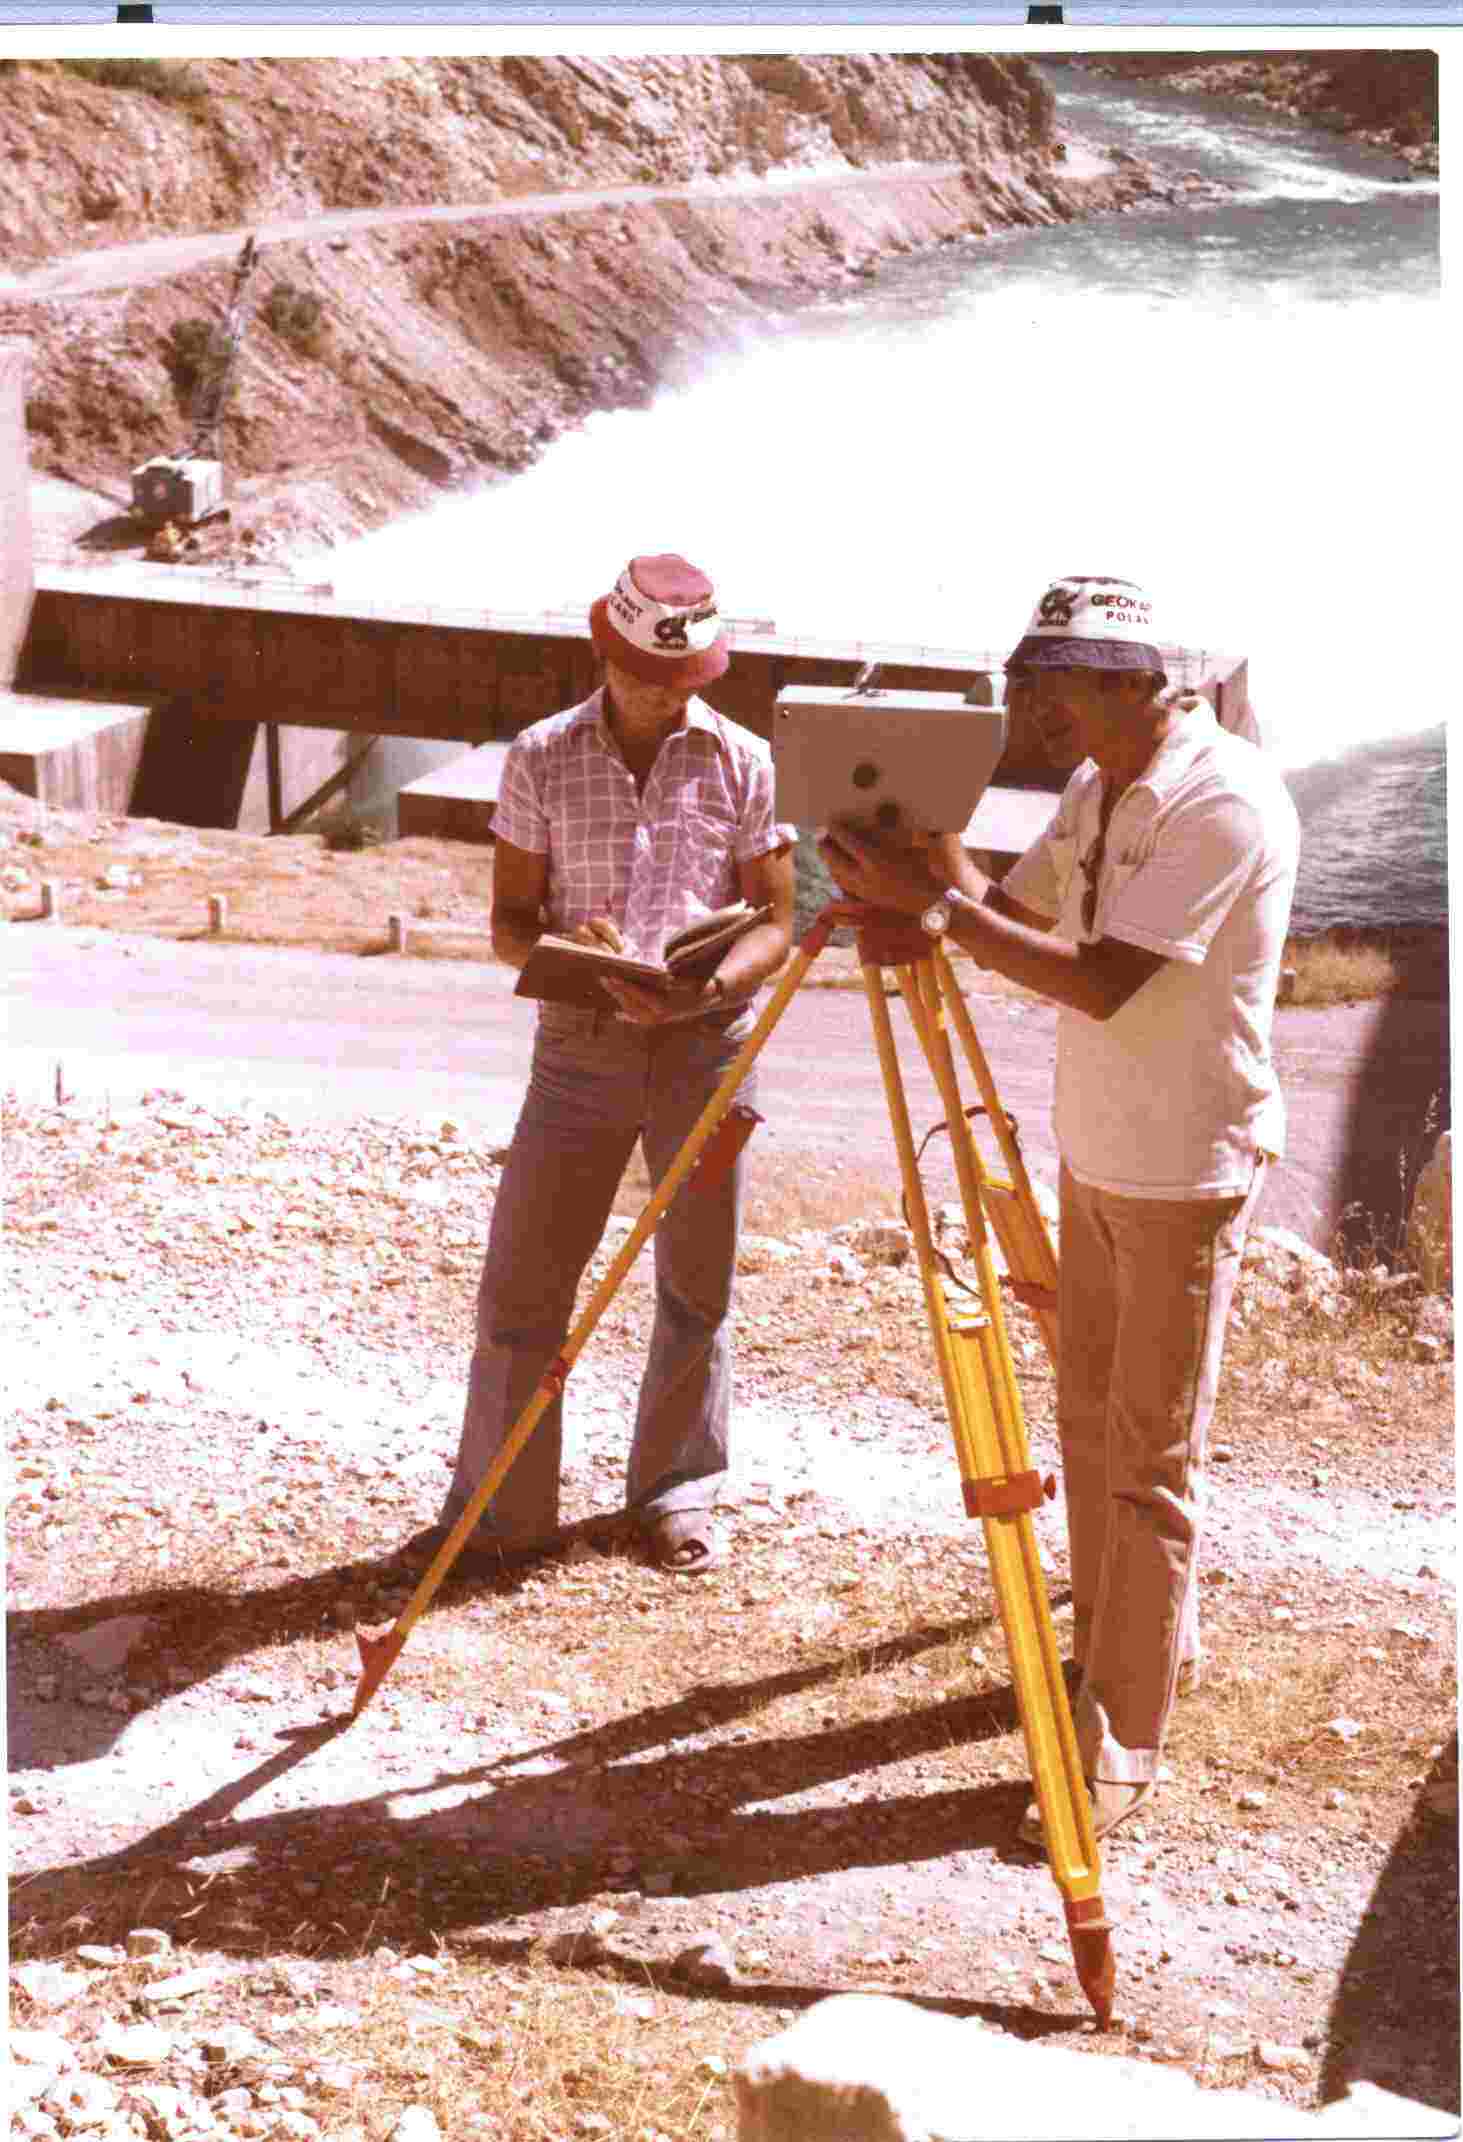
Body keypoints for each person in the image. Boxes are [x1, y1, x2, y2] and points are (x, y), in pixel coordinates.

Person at [819, 573, 1299, 1841]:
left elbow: (1096, 981)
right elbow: (1011, 910)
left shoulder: (1219, 799)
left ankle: (1120, 1739)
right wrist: (915, 857)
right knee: (1088, 1429)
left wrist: (932, 907)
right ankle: (1125, 1652)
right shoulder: (1099, 782)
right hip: (1094, 1154)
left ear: (1136, 681)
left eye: (1056, 686)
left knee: (1146, 1460)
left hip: (1182, 1169)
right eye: (1030, 682)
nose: (1034, 709)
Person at [412, 552, 796, 1580]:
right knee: (523, 1285)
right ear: (605, 653)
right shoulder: (541, 755)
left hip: (705, 1049)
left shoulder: (745, 761)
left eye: (684, 677)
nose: (665, 694)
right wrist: (575, 960)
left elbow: (778, 923)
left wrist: (707, 990)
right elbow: (508, 923)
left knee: (696, 1285)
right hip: (579, 1052)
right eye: (647, 674)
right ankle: (501, 1514)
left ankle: (675, 1495)